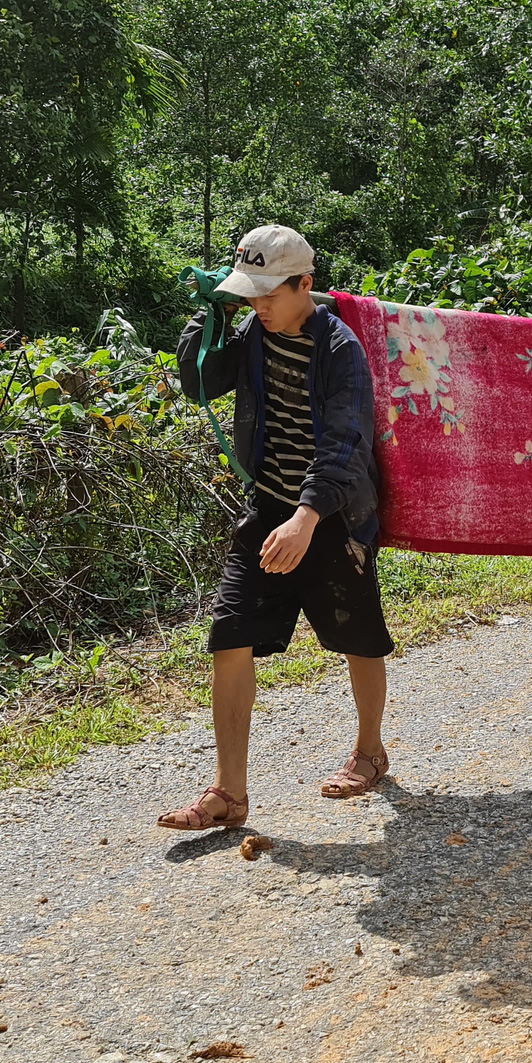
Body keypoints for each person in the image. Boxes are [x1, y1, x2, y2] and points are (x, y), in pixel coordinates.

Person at [159, 225, 391, 832]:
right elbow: (200, 384)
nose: (257, 305)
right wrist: (206, 318)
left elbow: (343, 442)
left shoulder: (340, 351)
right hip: (268, 511)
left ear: (305, 285)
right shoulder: (251, 336)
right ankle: (228, 795)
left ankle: (370, 753)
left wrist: (306, 519)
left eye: (268, 294)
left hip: (331, 516)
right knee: (229, 639)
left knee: (356, 638)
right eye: (248, 294)